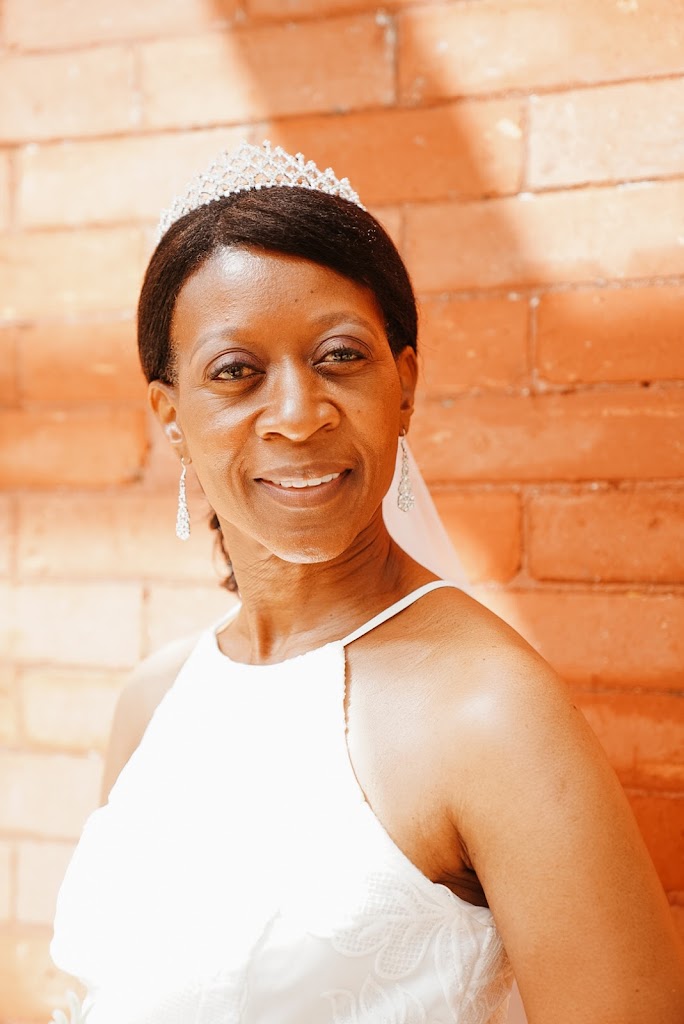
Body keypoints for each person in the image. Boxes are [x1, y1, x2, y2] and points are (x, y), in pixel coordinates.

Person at [51, 142, 684, 1024]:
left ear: (405, 384)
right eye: (235, 373)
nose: (298, 415)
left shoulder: (490, 713)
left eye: (340, 356)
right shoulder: (152, 701)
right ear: (172, 416)